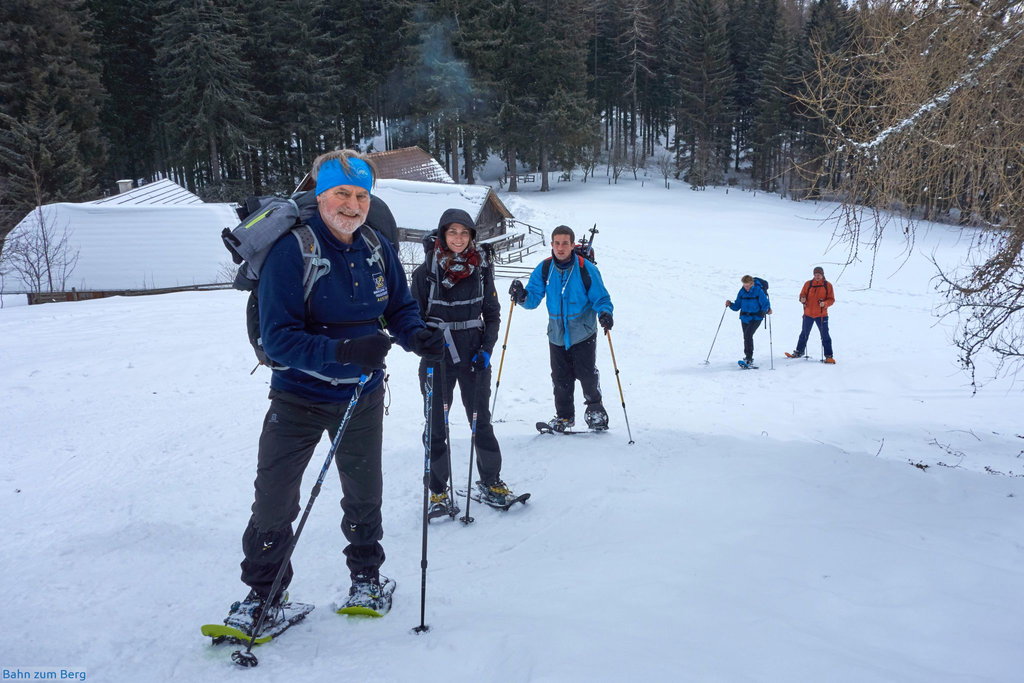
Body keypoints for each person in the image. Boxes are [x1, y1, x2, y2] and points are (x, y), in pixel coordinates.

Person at [222, 150, 444, 636]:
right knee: (274, 497)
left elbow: (401, 308)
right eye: (342, 193)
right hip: (297, 397)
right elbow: (278, 337)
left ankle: (366, 578)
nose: (352, 204)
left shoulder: (376, 247)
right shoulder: (291, 250)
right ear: (321, 196)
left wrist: (416, 335)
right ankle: (264, 594)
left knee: (363, 493)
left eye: (362, 195)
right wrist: (344, 351)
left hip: (361, 398)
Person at [411, 209, 516, 513]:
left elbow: (492, 315)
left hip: (473, 356)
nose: (458, 238)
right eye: (452, 232)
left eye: (464, 232)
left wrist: (487, 348)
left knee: (480, 421)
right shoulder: (425, 274)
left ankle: (491, 480)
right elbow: (411, 318)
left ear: (472, 236)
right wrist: (424, 344)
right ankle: (438, 490)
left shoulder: (481, 271)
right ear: (442, 235)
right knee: (436, 425)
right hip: (437, 357)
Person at [509, 225, 614, 432]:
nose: (560, 247)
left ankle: (595, 411)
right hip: (556, 334)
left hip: (583, 331)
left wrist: (605, 313)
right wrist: (522, 296)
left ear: (572, 245)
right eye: (556, 243)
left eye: (565, 243)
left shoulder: (586, 268)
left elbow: (601, 297)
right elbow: (533, 298)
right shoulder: (545, 268)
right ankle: (564, 417)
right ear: (551, 244)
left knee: (586, 374)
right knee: (560, 377)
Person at [786, 266, 836, 363]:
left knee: (825, 335)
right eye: (816, 274)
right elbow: (802, 295)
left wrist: (824, 303)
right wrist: (802, 299)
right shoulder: (808, 284)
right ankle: (799, 352)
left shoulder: (827, 285)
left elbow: (831, 299)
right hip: (808, 314)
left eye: (819, 274)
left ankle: (828, 356)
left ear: (822, 275)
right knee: (804, 334)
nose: (817, 276)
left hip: (821, 315)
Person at [726, 275, 772, 366]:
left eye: (747, 285)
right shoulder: (742, 291)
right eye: (744, 285)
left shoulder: (758, 291)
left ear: (752, 283)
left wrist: (765, 311)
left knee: (748, 335)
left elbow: (765, 304)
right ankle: (748, 356)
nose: (745, 287)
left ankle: (749, 358)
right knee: (746, 337)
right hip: (744, 317)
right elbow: (737, 306)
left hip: (756, 317)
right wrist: (730, 304)